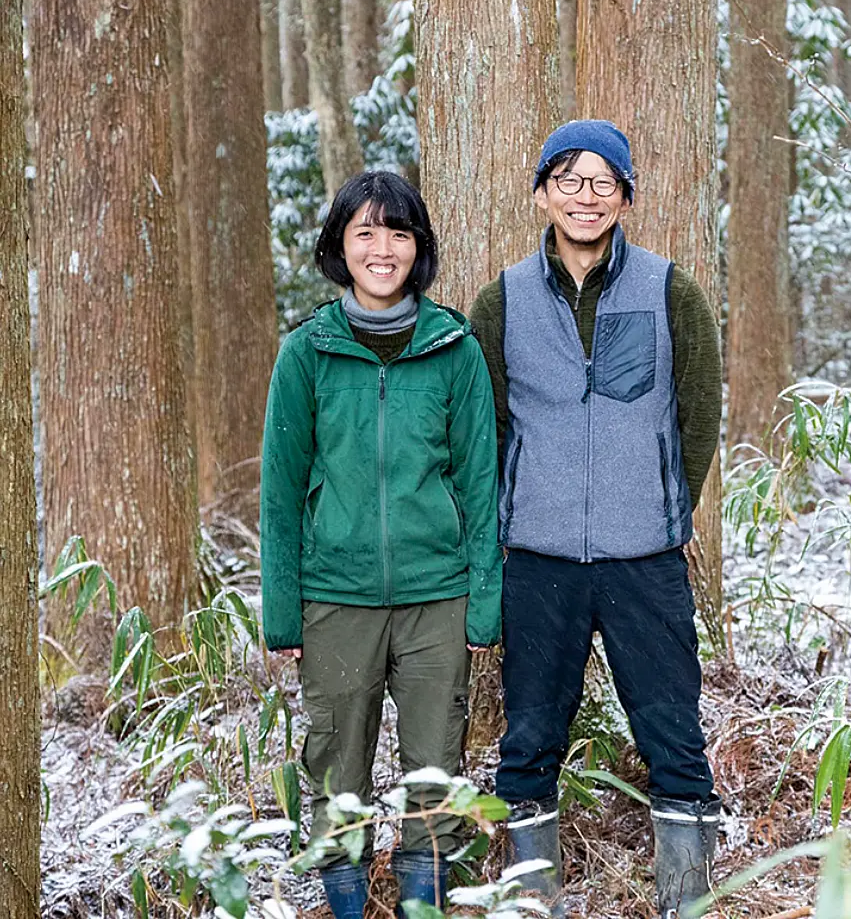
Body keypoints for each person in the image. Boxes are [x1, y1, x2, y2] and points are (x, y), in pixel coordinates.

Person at [469, 120, 723, 918]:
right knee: (528, 742)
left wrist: (659, 507)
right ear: (542, 193)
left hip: (644, 560)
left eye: (603, 181)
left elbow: (699, 415)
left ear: (625, 196)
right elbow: (485, 428)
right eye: (569, 180)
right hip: (538, 561)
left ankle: (686, 901)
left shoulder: (670, 291)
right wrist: (515, 515)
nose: (586, 196)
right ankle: (530, 901)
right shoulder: (501, 300)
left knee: (674, 736)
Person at [260, 170, 501, 919]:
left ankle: (422, 903)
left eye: (398, 232)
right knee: (336, 768)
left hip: (438, 597)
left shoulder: (454, 349)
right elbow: (280, 491)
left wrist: (484, 603)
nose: (382, 248)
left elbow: (481, 484)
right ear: (340, 245)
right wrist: (282, 612)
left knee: (436, 770)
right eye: (364, 232)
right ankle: (344, 903)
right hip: (336, 597)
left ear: (418, 247)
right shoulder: (307, 353)